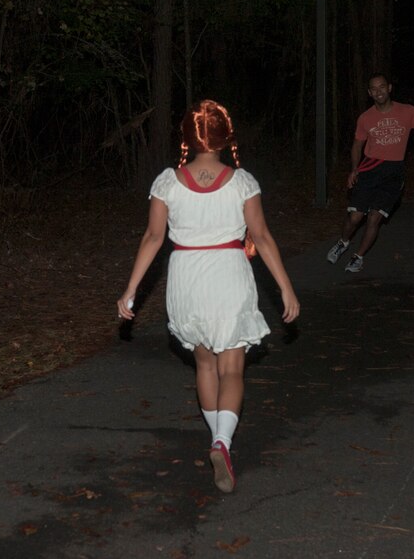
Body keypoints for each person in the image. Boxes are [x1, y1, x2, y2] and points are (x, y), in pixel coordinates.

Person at [117, 100, 300, 494]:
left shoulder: (167, 182)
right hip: (228, 274)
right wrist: (285, 286)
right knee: (232, 367)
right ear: (225, 138)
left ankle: (218, 440)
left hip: (187, 277)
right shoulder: (242, 181)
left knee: (205, 364)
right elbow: (263, 237)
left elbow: (152, 238)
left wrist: (131, 290)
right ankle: (222, 442)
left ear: (186, 138)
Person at [326, 73, 414, 272]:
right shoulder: (365, 118)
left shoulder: (407, 111)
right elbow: (357, 145)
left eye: (382, 87)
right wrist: (354, 169)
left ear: (389, 88)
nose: (379, 91)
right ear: (370, 93)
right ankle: (343, 242)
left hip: (393, 173)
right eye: (374, 89)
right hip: (370, 170)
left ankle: (358, 257)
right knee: (355, 217)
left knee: (374, 218)